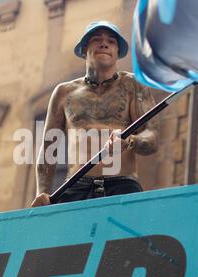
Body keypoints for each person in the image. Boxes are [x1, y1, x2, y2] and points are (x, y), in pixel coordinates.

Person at [32, 21, 158, 207]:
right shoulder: (64, 93)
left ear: (117, 52)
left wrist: (130, 140)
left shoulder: (133, 85)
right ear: (84, 49)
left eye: (111, 41)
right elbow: (49, 148)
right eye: (96, 39)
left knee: (125, 237)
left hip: (122, 185)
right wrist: (42, 192)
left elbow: (152, 137)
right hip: (76, 187)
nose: (104, 44)